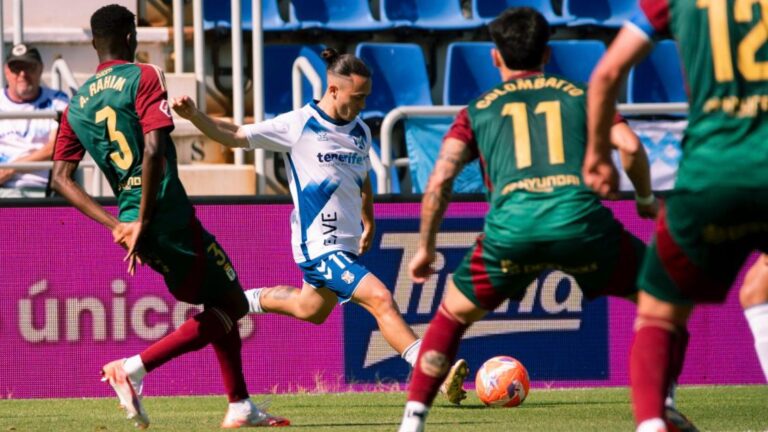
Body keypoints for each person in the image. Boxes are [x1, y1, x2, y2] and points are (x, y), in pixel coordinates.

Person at [396, 7, 667, 432]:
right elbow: (630, 147)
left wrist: (426, 247)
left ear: (495, 57)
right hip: (580, 226)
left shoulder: (478, 109)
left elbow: (440, 181)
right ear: (547, 53)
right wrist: (646, 199)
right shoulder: (580, 94)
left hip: (510, 234)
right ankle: (657, 414)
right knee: (659, 299)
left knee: (451, 317)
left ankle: (412, 423)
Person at [171, 48, 469, 405]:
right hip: (319, 246)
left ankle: (242, 299)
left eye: (366, 97)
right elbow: (236, 134)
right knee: (381, 299)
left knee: (309, 309)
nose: (362, 105)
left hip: (345, 243)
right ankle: (436, 373)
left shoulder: (360, 130)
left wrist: (369, 217)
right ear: (333, 90)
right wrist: (195, 116)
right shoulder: (299, 124)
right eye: (357, 97)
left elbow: (362, 176)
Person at [51, 4, 288, 429]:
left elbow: (60, 178)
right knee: (234, 302)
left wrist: (119, 225)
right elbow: (154, 149)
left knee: (218, 302)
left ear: (94, 43)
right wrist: (145, 218)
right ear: (131, 37)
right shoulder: (143, 76)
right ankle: (132, 368)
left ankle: (240, 405)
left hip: (133, 219)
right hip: (164, 212)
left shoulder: (75, 106)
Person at [585, 1, 768, 431]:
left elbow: (607, 74)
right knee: (760, 290)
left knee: (658, 314)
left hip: (711, 174)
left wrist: (597, 154)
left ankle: (652, 421)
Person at [0, 43, 69, 197]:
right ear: (6, 71)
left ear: (40, 69)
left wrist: (12, 168)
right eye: (16, 68)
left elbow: (57, 147)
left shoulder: (57, 100)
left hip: (44, 189)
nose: (22, 74)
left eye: (29, 67)